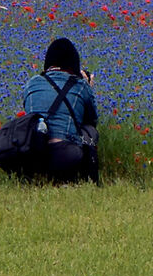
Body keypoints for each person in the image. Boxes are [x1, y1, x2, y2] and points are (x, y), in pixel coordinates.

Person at [22, 36, 100, 183]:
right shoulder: (80, 85)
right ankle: (87, 178)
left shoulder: (32, 83)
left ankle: (35, 178)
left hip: (32, 153)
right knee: (90, 132)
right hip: (65, 154)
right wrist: (87, 87)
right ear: (74, 64)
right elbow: (92, 120)